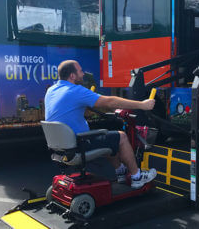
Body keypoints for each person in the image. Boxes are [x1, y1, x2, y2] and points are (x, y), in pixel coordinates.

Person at [44, 60, 157, 189]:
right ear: (72, 76)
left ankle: (120, 172)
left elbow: (69, 108)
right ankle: (137, 177)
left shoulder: (51, 90)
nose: (83, 74)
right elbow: (109, 102)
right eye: (80, 71)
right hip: (78, 145)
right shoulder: (76, 90)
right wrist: (142, 105)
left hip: (59, 147)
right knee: (121, 137)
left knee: (109, 138)